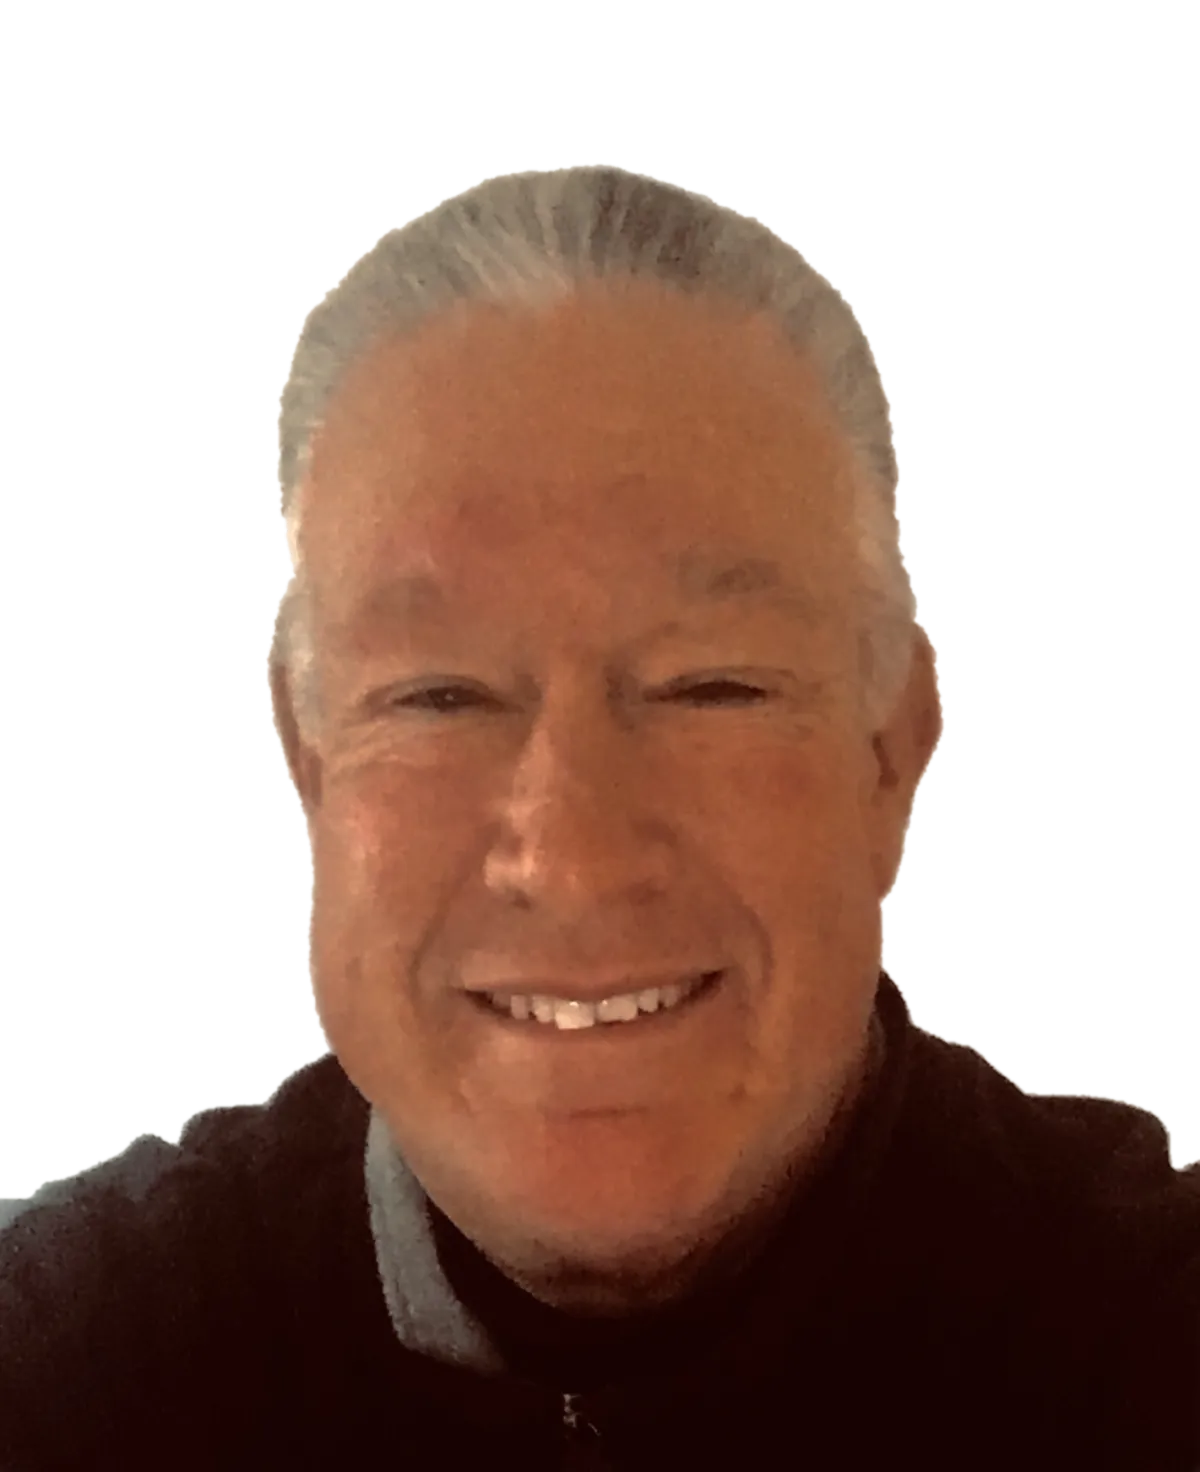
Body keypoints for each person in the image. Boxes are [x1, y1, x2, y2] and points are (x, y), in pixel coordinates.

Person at [2, 164, 1194, 1470]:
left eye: (711, 686)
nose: (569, 854)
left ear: (890, 749)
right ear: (310, 755)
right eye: (441, 695)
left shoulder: (1145, 1339)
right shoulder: (75, 1365)